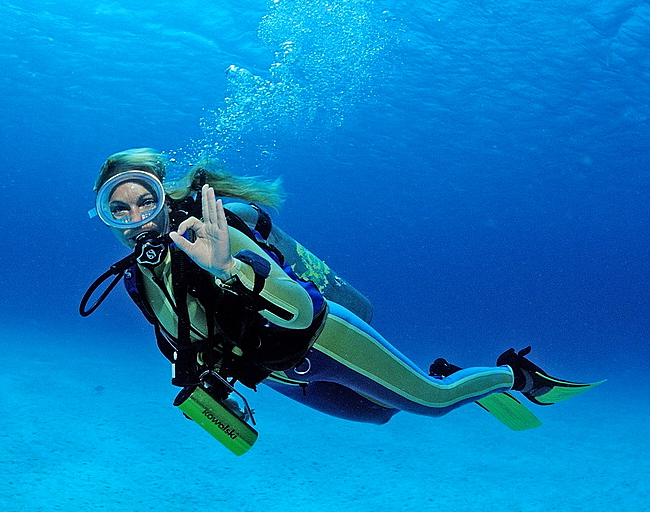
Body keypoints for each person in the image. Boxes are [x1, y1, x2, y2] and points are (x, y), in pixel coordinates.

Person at [80, 148, 601, 454]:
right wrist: (206, 385)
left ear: (164, 195)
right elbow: (182, 337)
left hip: (321, 338)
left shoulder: (213, 232)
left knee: (431, 405)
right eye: (118, 208)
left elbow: (302, 310)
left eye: (145, 199)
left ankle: (517, 375)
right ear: (104, 214)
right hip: (280, 370)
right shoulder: (134, 280)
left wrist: (229, 268)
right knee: (379, 417)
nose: (137, 218)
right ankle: (442, 372)